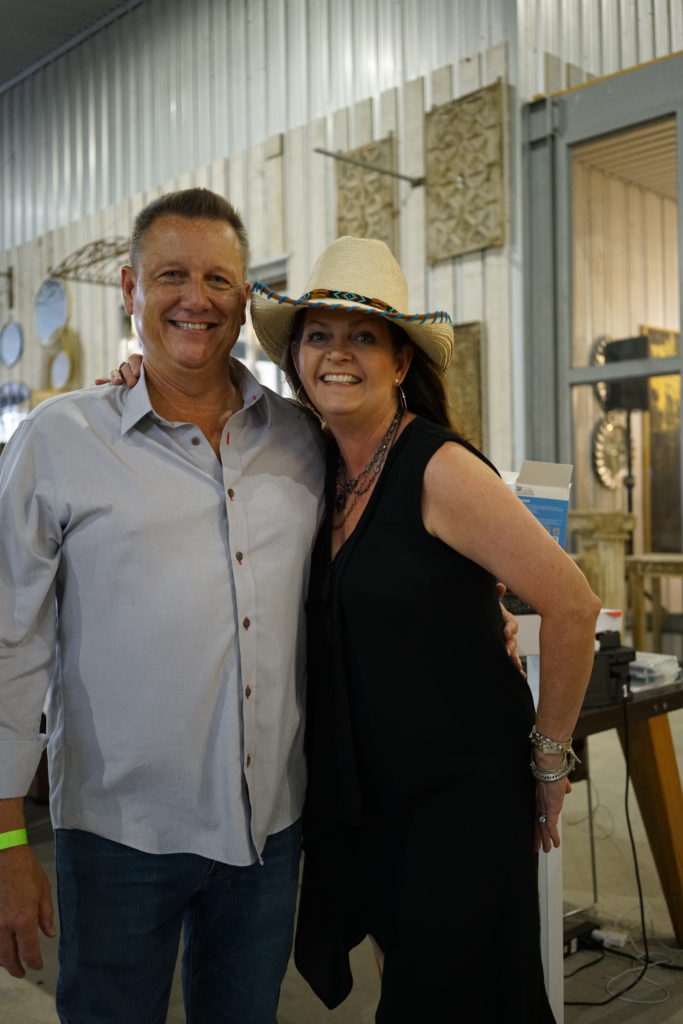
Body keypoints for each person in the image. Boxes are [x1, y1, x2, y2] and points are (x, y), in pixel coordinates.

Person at [248, 236, 601, 1023]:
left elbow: (572, 605)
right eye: (319, 334)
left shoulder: (436, 467)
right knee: (417, 989)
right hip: (374, 800)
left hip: (458, 802)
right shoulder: (318, 466)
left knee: (454, 998)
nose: (338, 353)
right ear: (297, 358)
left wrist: (548, 760)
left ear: (401, 363)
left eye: (363, 336)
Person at [0, 188, 326, 1024]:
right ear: (128, 289)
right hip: (118, 836)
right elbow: (10, 645)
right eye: (170, 274)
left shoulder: (300, 441)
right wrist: (4, 840)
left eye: (219, 279)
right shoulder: (59, 442)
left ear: (246, 298)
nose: (196, 297)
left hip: (268, 830)